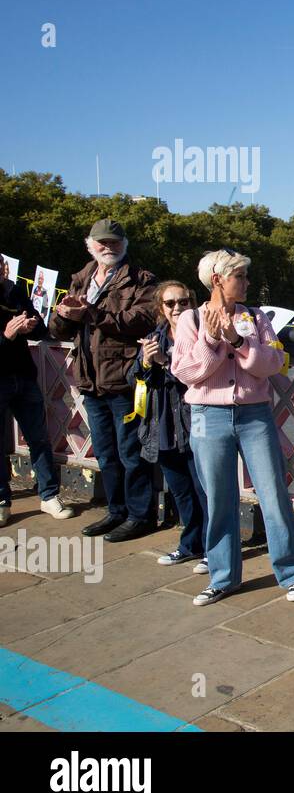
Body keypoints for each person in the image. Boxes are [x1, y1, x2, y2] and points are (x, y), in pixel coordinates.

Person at [171, 249, 294, 606]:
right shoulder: (190, 320)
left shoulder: (256, 317)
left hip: (254, 415)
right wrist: (213, 341)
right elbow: (186, 372)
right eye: (241, 277)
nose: (247, 282)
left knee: (274, 495)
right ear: (218, 279)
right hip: (207, 415)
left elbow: (275, 362)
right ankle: (223, 577)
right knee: (219, 498)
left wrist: (238, 341)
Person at [49, 219, 158, 542]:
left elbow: (142, 319)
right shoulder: (80, 279)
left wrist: (91, 315)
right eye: (102, 242)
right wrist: (64, 314)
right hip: (89, 379)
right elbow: (58, 330)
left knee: (130, 452)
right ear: (90, 245)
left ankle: (140, 515)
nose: (108, 247)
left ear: (125, 245)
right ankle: (116, 510)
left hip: (124, 379)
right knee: (106, 453)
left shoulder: (141, 279)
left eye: (114, 242)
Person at [133, 280, 209, 574]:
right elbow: (134, 380)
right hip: (161, 423)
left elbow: (201, 375)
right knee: (181, 491)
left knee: (205, 490)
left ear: (192, 303)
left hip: (195, 421)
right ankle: (190, 544)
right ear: (160, 308)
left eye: (183, 302)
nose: (177, 308)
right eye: (170, 303)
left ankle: (212, 548)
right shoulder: (155, 336)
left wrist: (165, 363)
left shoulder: (203, 334)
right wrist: (144, 362)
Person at [1, 253, 72, 526]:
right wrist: (6, 335)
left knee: (39, 438)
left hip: (23, 376)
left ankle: (49, 495)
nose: (2, 270)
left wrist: (30, 326)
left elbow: (40, 330)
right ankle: (2, 499)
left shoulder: (15, 291)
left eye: (2, 265)